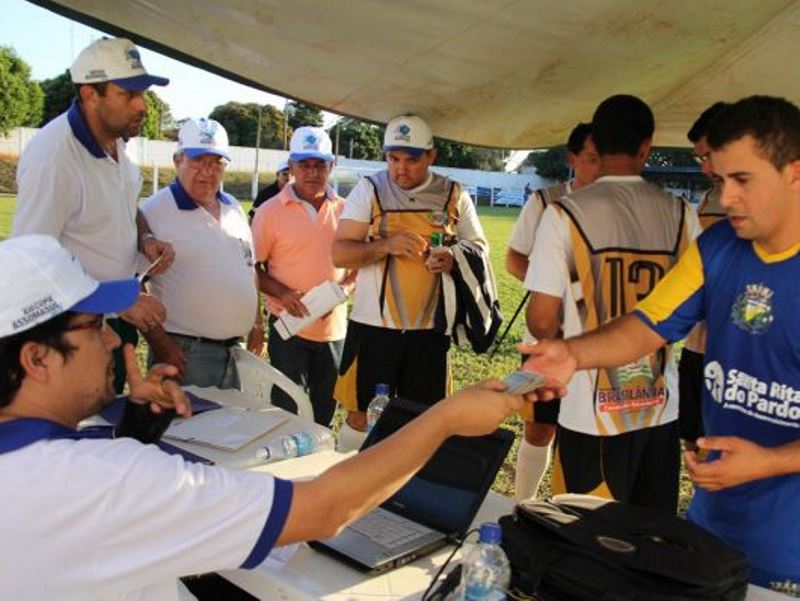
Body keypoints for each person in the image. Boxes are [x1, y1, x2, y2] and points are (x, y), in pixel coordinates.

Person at [0, 234, 525, 601]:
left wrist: (136, 429)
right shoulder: (102, 483)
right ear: (37, 360)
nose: (114, 339)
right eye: (95, 327)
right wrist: (445, 420)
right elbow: (322, 510)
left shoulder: (64, 464)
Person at [524, 95, 800, 595]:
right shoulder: (719, 249)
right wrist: (573, 353)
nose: (726, 199)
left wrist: (772, 461)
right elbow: (647, 324)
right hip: (712, 529)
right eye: (719, 181)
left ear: (795, 172)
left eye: (742, 181)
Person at [524, 95, 699, 512]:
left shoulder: (563, 214)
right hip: (659, 407)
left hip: (589, 411)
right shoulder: (681, 214)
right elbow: (694, 313)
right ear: (646, 148)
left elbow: (541, 319)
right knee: (648, 535)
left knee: (584, 540)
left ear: (596, 146)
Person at [13, 37, 175, 393]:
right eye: (128, 94)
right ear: (90, 95)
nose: (141, 106)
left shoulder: (114, 141)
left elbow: (124, 203)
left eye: (143, 93)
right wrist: (117, 300)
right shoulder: (54, 159)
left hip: (112, 321)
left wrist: (145, 238)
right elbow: (29, 269)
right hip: (67, 339)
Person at [332, 114, 488, 450]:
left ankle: (407, 495)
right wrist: (385, 245)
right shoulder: (370, 188)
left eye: (411, 159)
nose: (400, 169)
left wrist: (451, 256)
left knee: (425, 419)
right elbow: (340, 254)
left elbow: (478, 248)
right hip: (374, 329)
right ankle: (343, 488)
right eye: (393, 158)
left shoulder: (452, 193)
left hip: (430, 333)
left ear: (431, 156)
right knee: (361, 416)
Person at [505, 122, 599, 501]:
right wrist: (552, 288)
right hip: (547, 339)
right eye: (592, 158)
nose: (600, 167)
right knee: (540, 428)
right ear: (573, 159)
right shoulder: (545, 202)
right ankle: (521, 506)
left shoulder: (615, 207)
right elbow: (513, 258)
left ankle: (569, 516)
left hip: (596, 345)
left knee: (583, 434)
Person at [139, 118, 263, 388]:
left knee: (232, 429)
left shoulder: (233, 207)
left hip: (236, 354)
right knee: (183, 429)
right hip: (185, 353)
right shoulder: (154, 211)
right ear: (177, 160)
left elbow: (248, 268)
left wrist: (256, 324)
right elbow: (133, 288)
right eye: (198, 161)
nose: (207, 172)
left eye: (216, 162)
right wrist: (162, 344)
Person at [252, 127, 349, 425]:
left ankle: (316, 472)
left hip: (333, 330)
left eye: (320, 165)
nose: (312, 172)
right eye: (304, 165)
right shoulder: (269, 211)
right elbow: (252, 268)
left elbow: (357, 267)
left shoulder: (346, 211)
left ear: (331, 167)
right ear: (291, 166)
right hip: (288, 325)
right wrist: (283, 294)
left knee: (324, 414)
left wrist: (339, 295)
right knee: (287, 413)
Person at [680, 101, 730, 448]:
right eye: (702, 159)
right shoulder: (709, 198)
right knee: (695, 441)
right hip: (697, 344)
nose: (706, 167)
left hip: (739, 355)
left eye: (710, 154)